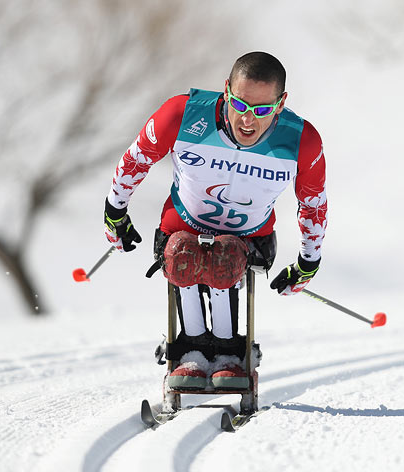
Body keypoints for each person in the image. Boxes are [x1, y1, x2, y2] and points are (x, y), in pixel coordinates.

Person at [103, 51, 327, 390]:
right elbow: (136, 160)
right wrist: (115, 212)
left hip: (249, 239)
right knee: (183, 253)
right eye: (239, 105)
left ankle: (228, 355)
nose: (247, 121)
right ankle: (192, 352)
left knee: (225, 255)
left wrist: (308, 261)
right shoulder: (183, 113)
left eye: (262, 110)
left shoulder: (301, 140)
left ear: (280, 104)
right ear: (226, 91)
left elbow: (313, 204)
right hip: (182, 226)